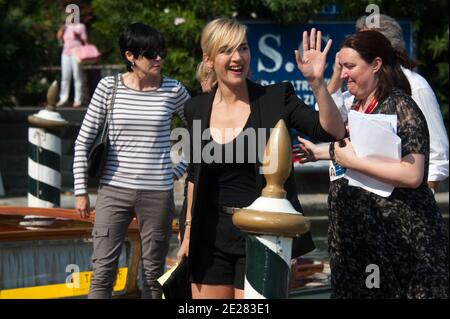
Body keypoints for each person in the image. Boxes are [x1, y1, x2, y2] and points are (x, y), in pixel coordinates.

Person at [176, 18, 345, 299]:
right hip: (209, 236)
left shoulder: (275, 98)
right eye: (226, 50)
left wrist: (317, 83)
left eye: (242, 48)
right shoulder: (196, 108)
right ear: (208, 60)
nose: (236, 57)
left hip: (262, 233)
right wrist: (188, 232)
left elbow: (332, 130)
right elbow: (194, 177)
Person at [297, 30, 449, 298]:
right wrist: (317, 82)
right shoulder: (355, 103)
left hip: (401, 243)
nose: (344, 74)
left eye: (351, 66)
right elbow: (334, 132)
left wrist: (353, 162)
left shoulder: (401, 105)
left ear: (376, 64)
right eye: (341, 66)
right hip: (357, 240)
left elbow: (413, 173)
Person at [73, 22, 190, 299]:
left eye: (161, 52)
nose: (159, 58)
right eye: (151, 54)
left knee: (153, 274)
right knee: (103, 271)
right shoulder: (108, 87)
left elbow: (201, 133)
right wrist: (80, 191)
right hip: (113, 190)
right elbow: (83, 141)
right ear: (130, 57)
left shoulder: (173, 90)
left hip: (157, 194)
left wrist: (178, 170)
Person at [323, 14, 449, 192]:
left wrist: (425, 194)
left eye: (366, 41)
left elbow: (437, 152)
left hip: (401, 206)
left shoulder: (415, 86)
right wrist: (336, 72)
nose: (357, 45)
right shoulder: (361, 89)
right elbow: (327, 118)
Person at [56, 21, 88, 107]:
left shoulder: (81, 26)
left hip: (77, 53)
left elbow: (85, 41)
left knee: (77, 76)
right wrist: (62, 29)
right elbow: (58, 37)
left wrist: (78, 36)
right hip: (66, 53)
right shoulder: (65, 26)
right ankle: (63, 99)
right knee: (65, 77)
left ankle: (78, 100)